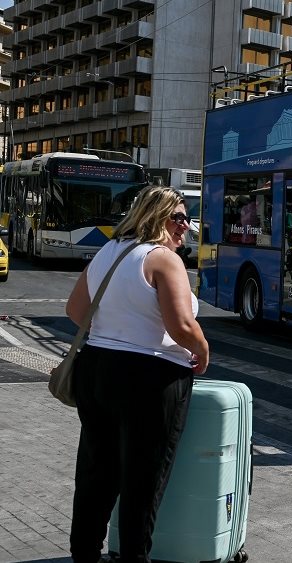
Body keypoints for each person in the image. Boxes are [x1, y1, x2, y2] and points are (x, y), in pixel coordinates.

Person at [66, 185, 210, 563]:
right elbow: (181, 325)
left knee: (96, 474)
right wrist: (203, 348)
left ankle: (84, 554)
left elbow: (75, 310)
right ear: (158, 215)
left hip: (96, 368)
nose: (186, 226)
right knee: (142, 482)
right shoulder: (164, 258)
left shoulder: (108, 252)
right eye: (179, 217)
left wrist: (116, 330)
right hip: (149, 377)